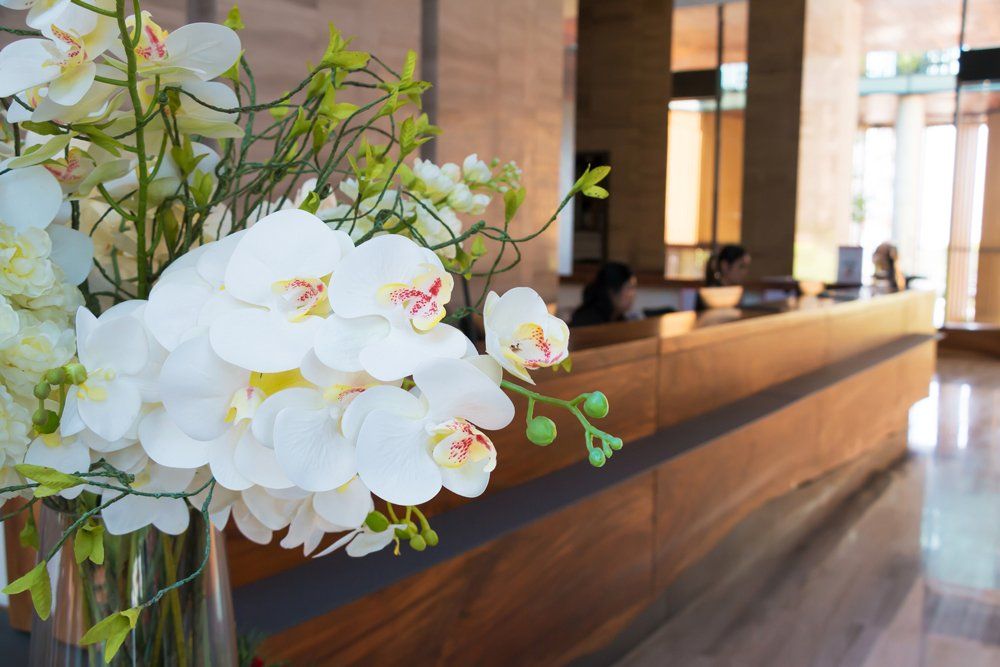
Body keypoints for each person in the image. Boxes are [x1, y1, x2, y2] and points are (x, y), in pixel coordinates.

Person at [570, 262, 639, 327]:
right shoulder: (587, 322)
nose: (633, 294)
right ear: (611, 291)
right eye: (630, 288)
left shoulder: (619, 319)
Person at [696, 244, 751, 310]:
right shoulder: (712, 295)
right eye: (741, 266)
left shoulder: (735, 293)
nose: (745, 272)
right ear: (725, 266)